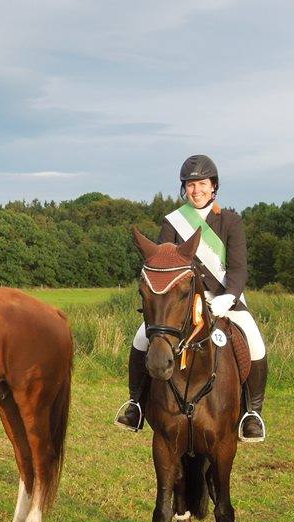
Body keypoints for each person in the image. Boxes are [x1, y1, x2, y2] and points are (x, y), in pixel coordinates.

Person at [115, 154, 268, 441]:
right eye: (190, 185)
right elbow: (164, 263)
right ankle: (136, 404)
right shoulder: (173, 221)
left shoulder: (231, 221)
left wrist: (228, 297)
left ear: (213, 186)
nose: (196, 190)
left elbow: (238, 269)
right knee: (141, 338)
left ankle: (252, 413)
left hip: (223, 298)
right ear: (184, 188)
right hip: (183, 300)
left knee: (254, 340)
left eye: (202, 184)